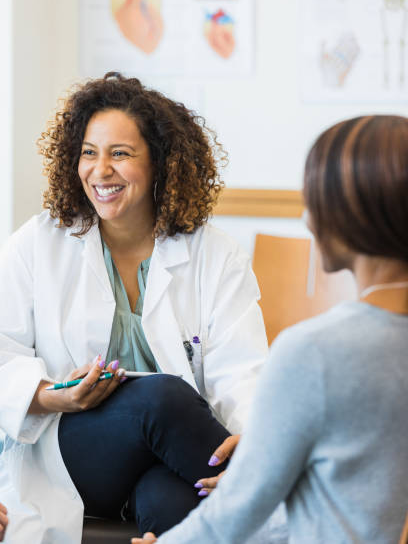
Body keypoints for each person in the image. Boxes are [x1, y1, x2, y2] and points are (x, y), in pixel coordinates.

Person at [0, 73, 268, 543]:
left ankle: (250, 486)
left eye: (120, 154)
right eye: (89, 152)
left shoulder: (215, 255)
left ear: (161, 163)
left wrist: (253, 441)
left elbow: (242, 373)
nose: (100, 170)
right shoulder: (37, 245)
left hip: (170, 457)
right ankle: (274, 501)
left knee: (180, 506)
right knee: (162, 398)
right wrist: (51, 395)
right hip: (71, 456)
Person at [131, 115, 408, 544]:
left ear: (351, 215)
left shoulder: (316, 352)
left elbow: (240, 511)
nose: (306, 218)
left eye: (313, 200)